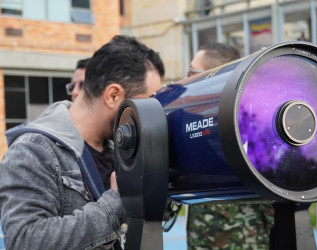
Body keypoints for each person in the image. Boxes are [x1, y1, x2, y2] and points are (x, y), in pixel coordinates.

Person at [0, 35, 165, 249]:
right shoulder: (33, 150)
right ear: (113, 95)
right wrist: (117, 203)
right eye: (148, 101)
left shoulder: (119, 148)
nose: (153, 111)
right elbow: (25, 241)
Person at [186, 42, 274, 249]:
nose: (186, 77)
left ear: (215, 77)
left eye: (192, 71)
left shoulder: (254, 127)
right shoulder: (197, 124)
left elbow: (276, 200)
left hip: (243, 241)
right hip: (202, 239)